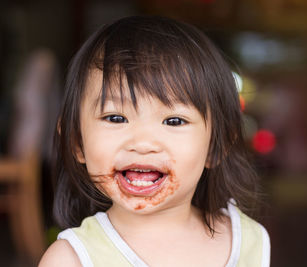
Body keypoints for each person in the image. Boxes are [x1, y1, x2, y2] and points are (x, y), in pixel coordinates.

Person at [39, 16, 270, 267]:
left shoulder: (248, 242)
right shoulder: (70, 259)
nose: (143, 143)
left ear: (217, 145)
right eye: (116, 118)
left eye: (174, 121)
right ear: (77, 141)